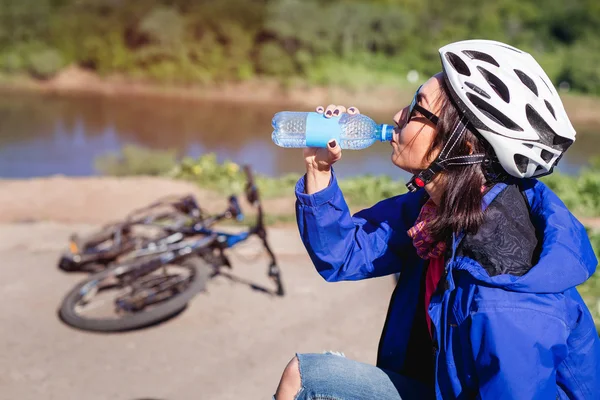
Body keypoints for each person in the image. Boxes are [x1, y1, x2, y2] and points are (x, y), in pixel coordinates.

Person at [273, 40, 600, 399]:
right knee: (305, 377)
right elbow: (343, 254)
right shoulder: (435, 215)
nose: (399, 115)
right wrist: (318, 169)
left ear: (464, 146)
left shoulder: (503, 295)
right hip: (438, 388)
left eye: (417, 109)